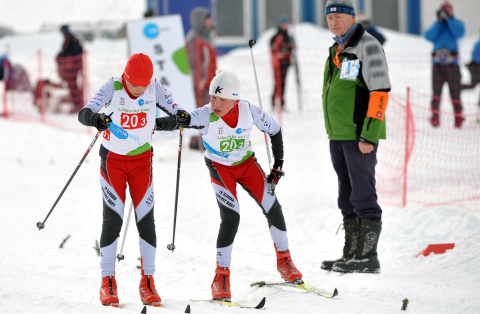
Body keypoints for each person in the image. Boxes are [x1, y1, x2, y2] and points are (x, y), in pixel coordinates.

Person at [157, 69, 303, 301]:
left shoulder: (248, 110)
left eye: (222, 99)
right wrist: (154, 124)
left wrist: (277, 166)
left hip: (246, 165)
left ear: (235, 99)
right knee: (231, 217)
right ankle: (221, 276)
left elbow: (274, 130)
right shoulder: (206, 114)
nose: (215, 103)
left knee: (273, 207)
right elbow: (179, 120)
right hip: (220, 168)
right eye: (212, 97)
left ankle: (284, 260)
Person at [78, 53, 184, 307]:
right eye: (134, 84)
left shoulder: (154, 87)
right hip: (113, 162)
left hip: (141, 162)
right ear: (126, 77)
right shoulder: (113, 86)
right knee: (112, 219)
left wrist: (178, 117)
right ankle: (108, 281)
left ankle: (147, 281)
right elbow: (84, 113)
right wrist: (96, 119)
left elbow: (176, 110)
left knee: (146, 221)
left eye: (143, 85)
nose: (139, 90)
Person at [320, 0, 391, 274]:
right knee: (346, 195)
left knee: (363, 194)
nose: (334, 22)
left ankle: (368, 257)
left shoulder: (368, 45)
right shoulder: (337, 49)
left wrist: (369, 135)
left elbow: (380, 91)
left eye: (339, 16)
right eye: (330, 17)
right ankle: (351, 254)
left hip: (358, 135)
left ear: (351, 18)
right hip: (338, 134)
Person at [424, 1, 465, 128]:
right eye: (444, 10)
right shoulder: (437, 25)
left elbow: (460, 33)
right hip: (437, 65)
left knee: (455, 93)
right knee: (436, 93)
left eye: (448, 10)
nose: (446, 12)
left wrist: (449, 20)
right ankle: (435, 118)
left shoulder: (457, 24)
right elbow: (428, 36)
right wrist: (439, 22)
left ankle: (458, 119)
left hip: (452, 64)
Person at [186, 7, 217, 150]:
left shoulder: (206, 36)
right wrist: (201, 81)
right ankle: (197, 141)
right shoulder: (194, 38)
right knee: (201, 110)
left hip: (209, 82)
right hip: (201, 84)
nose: (210, 22)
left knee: (207, 111)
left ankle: (202, 139)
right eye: (207, 19)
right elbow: (194, 63)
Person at [270, 15, 296, 110]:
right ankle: (274, 101)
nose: (285, 26)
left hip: (286, 64)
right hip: (277, 64)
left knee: (283, 83)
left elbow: (292, 48)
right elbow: (273, 49)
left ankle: (281, 103)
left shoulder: (288, 36)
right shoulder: (276, 36)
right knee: (278, 83)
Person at [57, 25, 84, 113]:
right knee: (73, 85)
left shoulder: (70, 39)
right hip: (73, 66)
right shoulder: (71, 39)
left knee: (73, 85)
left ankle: (77, 104)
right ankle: (77, 103)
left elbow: (68, 52)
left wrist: (60, 57)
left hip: (72, 67)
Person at [461, 31, 480, 108]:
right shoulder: (478, 43)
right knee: (473, 85)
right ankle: (456, 88)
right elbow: (474, 56)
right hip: (475, 66)